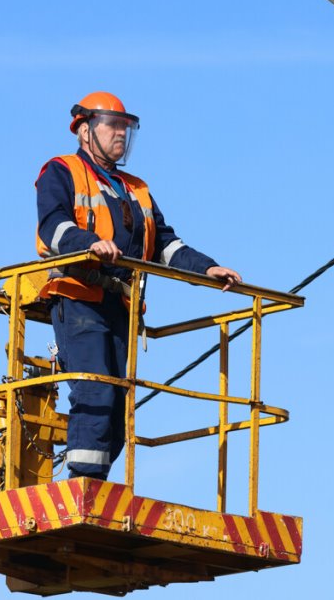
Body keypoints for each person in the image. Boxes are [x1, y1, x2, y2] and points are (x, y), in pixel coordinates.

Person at [35, 91, 241, 479]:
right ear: (84, 130)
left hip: (120, 309)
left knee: (118, 401)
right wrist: (90, 243)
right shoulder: (60, 171)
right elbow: (54, 226)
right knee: (95, 391)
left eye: (125, 129)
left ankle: (95, 487)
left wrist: (207, 269)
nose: (120, 135)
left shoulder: (136, 189)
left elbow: (164, 243)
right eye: (113, 126)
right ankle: (84, 489)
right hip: (79, 300)